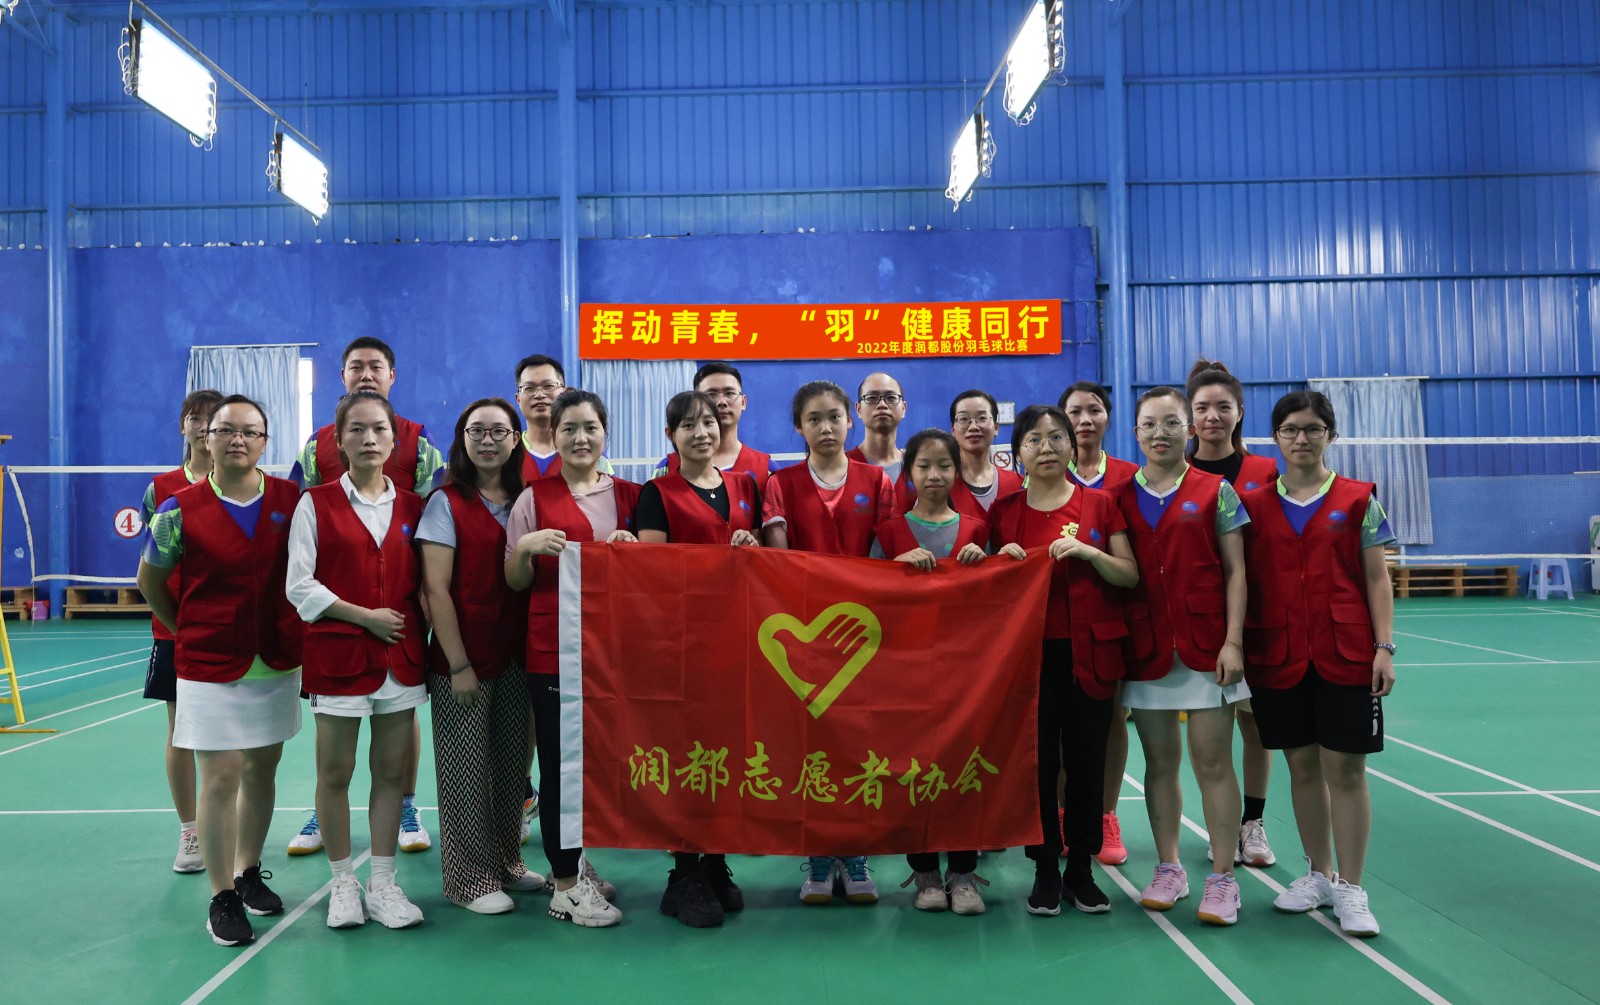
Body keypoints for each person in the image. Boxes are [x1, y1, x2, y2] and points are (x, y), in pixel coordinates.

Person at [136, 394, 304, 946]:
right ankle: (221, 895)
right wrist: (186, 628)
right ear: (206, 439)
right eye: (226, 430)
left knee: (262, 771)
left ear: (264, 442)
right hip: (208, 663)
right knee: (222, 775)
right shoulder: (176, 509)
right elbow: (150, 581)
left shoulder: (292, 501)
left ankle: (247, 870)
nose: (238, 439)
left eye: (250, 431)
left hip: (275, 661)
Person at [1238, 390, 1396, 938]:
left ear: (1330, 435)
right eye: (1290, 429)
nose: (1301, 438)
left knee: (1346, 771)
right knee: (1301, 766)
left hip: (1346, 653)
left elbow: (1377, 577)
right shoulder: (1251, 505)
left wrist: (1384, 647)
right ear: (1275, 437)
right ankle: (1318, 874)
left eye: (1312, 429)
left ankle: (1351, 887)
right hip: (1277, 654)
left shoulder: (1358, 499)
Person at [288, 337, 442, 857]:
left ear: (392, 376)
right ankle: (325, 819)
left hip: (399, 639)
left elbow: (437, 528)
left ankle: (406, 805)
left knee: (395, 742)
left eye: (377, 366)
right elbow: (300, 529)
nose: (367, 373)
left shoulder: (420, 448)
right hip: (338, 636)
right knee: (334, 763)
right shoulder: (315, 453)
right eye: (357, 366)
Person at [991, 404, 1138, 917]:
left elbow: (1129, 574)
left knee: (1086, 761)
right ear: (1018, 454)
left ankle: (1081, 869)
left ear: (1073, 447)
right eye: (1034, 440)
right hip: (1028, 657)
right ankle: (1045, 869)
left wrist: (1089, 553)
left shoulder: (1101, 504)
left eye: (1057, 437)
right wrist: (999, 564)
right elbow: (983, 587)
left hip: (1088, 653)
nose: (1047, 447)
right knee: (1038, 765)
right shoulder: (1004, 512)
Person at [1113, 388, 1250, 926]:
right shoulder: (1118, 497)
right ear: (1136, 434)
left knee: (1213, 762)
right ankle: (1169, 867)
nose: (1160, 433)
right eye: (1150, 424)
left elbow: (1237, 571)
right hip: (1145, 649)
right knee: (1159, 763)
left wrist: (1233, 641)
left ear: (1187, 430)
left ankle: (1223, 877)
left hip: (1207, 647)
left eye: (1171, 422)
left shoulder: (1217, 491)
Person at [505, 388, 633, 928]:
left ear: (605, 432)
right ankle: (564, 886)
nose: (580, 438)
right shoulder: (532, 500)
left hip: (617, 652)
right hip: (554, 651)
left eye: (590, 428)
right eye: (569, 429)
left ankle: (578, 863)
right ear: (552, 435)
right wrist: (526, 548)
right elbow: (515, 580)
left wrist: (635, 550)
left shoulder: (631, 497)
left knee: (599, 765)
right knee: (560, 765)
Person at [766, 380, 896, 905]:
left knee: (859, 744)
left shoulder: (877, 481)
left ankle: (856, 853)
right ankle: (819, 855)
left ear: (850, 420)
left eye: (834, 417)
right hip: (806, 642)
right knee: (812, 747)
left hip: (862, 638)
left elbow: (890, 551)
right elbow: (778, 562)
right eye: (814, 419)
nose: (826, 427)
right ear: (799, 427)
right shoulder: (781, 483)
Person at [418, 399, 549, 915]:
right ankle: (467, 878)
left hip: (518, 654)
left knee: (513, 766)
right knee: (465, 771)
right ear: (463, 439)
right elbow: (436, 588)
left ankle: (506, 862)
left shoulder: (529, 499)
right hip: (463, 659)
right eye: (477, 431)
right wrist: (457, 665)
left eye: (499, 431)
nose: (488, 440)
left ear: (517, 439)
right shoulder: (445, 503)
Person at [636, 390, 761, 928]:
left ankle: (715, 862)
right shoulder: (656, 493)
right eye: (687, 425)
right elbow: (651, 573)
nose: (701, 433)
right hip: (683, 646)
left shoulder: (746, 486)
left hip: (738, 643)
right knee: (688, 757)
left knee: (727, 754)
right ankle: (683, 874)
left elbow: (765, 562)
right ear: (671, 436)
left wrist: (752, 549)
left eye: (708, 422)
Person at [869, 429, 990, 916]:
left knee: (962, 767)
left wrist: (988, 563)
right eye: (924, 466)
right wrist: (892, 568)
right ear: (909, 472)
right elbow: (866, 593)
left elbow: (999, 596)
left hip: (965, 673)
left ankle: (963, 873)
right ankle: (924, 874)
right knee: (912, 768)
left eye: (944, 465)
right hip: (905, 671)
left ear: (957, 471)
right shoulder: (889, 532)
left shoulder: (978, 529)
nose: (935, 475)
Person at [1186, 357, 1280, 868]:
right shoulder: (1174, 471)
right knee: (1208, 734)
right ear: (1190, 414)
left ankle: (1252, 823)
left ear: (1239, 412)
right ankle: (1220, 826)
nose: (1212, 416)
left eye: (1223, 407)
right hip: (1198, 622)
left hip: (1255, 618)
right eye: (1202, 407)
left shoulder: (1264, 472)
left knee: (1255, 727)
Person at [140, 387, 222, 875]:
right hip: (175, 630)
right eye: (194, 416)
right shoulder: (161, 489)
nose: (202, 424)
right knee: (180, 730)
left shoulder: (238, 483)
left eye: (211, 417)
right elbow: (151, 563)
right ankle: (190, 831)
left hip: (225, 630)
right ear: (183, 426)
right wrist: (177, 625)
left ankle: (224, 825)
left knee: (229, 735)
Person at [1058, 380, 1139, 866]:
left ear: (1108, 416)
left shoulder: (1129, 477)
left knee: (1111, 716)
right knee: (1060, 724)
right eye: (1075, 412)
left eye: (1094, 410)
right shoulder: (1043, 471)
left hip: (1112, 618)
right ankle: (1064, 814)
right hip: (1055, 622)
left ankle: (1106, 814)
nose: (1085, 420)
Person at [650, 362, 775, 492]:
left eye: (730, 393)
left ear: (743, 402)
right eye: (711, 395)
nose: (721, 402)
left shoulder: (766, 469)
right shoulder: (666, 468)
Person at [514, 354, 615, 483]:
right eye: (529, 388)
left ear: (564, 392)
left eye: (548, 386)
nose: (539, 394)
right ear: (518, 399)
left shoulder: (590, 452)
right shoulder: (508, 453)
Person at [948, 389, 1023, 519]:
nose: (973, 427)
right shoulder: (943, 487)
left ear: (996, 427)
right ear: (953, 430)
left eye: (982, 418)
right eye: (963, 419)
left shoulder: (1018, 485)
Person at [847, 372, 914, 509]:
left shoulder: (917, 467)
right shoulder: (843, 467)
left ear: (903, 408)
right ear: (858, 410)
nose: (882, 404)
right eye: (872, 398)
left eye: (891, 397)